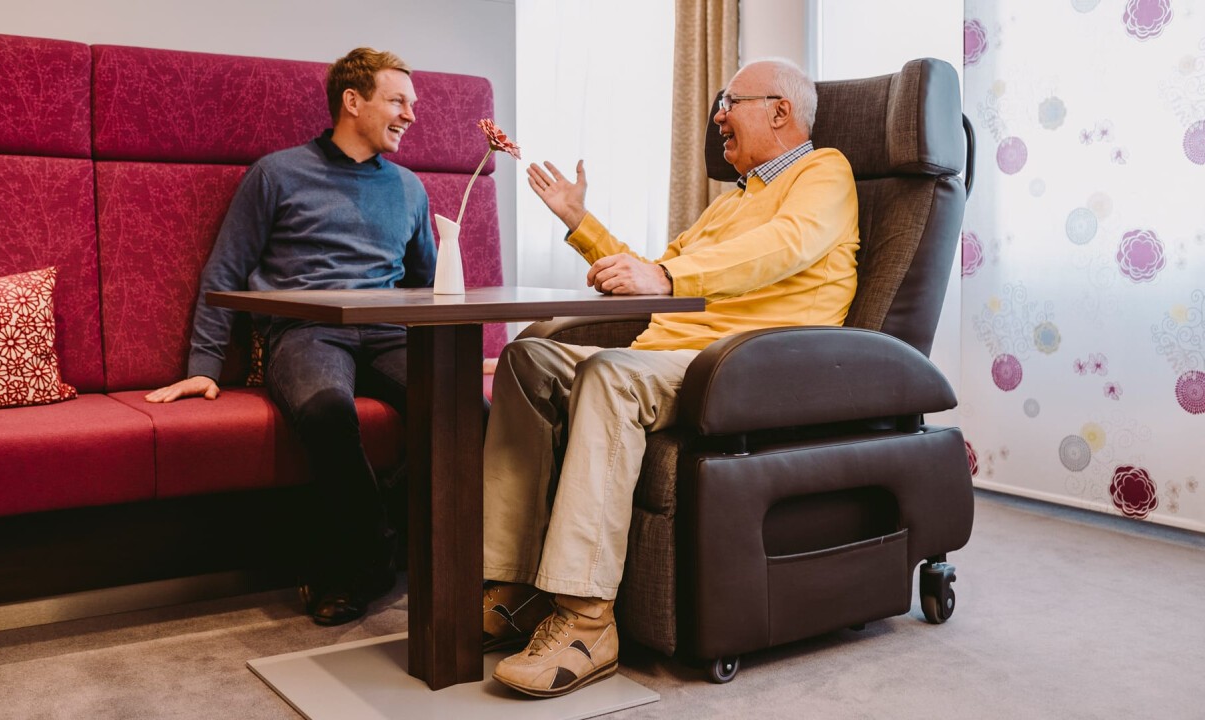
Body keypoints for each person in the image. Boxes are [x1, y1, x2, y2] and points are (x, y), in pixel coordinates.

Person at [480, 57, 860, 697]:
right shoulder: (729, 204)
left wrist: (671, 278)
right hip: (670, 355)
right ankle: (512, 585)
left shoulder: (824, 172)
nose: (717, 116)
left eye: (729, 102)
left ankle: (585, 620)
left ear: (780, 112)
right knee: (528, 360)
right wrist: (581, 224)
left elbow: (787, 244)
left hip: (746, 364)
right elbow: (653, 275)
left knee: (608, 374)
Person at [145, 48, 435, 626]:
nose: (411, 115)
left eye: (413, 104)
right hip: (306, 334)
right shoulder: (276, 173)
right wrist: (203, 364)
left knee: (468, 415)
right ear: (353, 102)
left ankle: (373, 539)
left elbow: (427, 284)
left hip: (386, 331)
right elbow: (224, 271)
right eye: (398, 101)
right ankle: (358, 563)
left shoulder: (409, 188)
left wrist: (462, 353)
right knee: (328, 411)